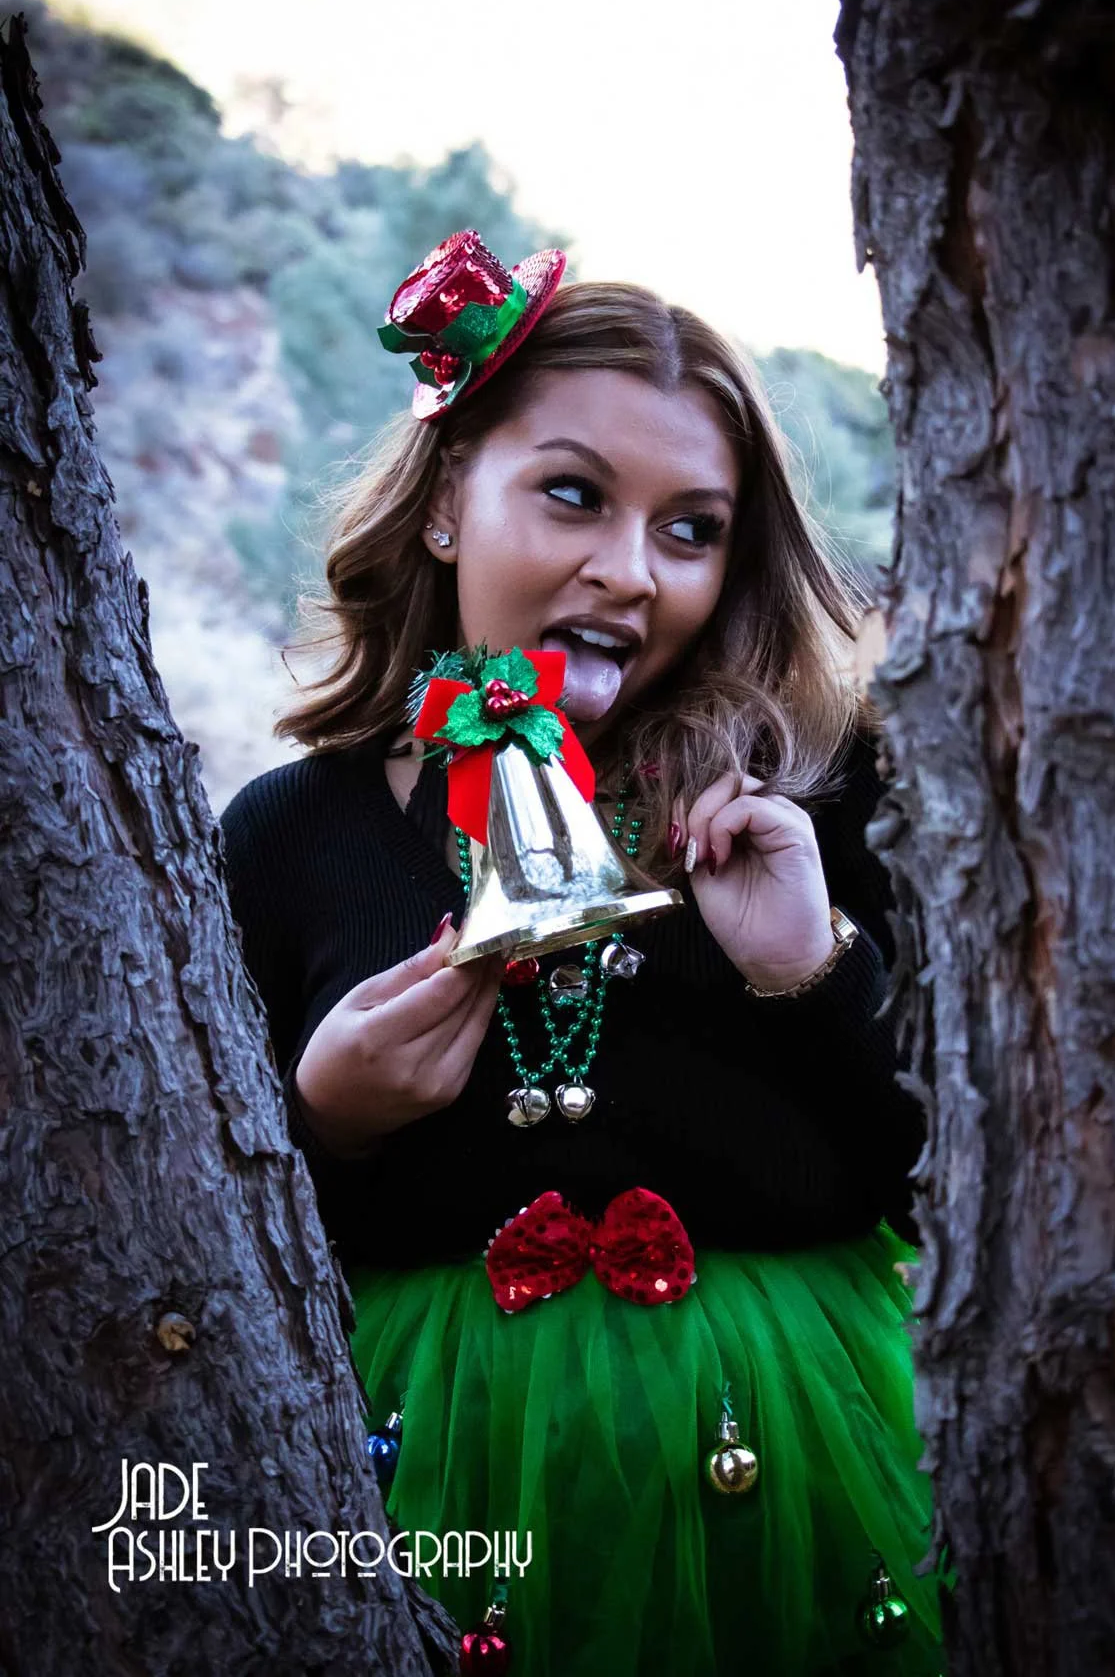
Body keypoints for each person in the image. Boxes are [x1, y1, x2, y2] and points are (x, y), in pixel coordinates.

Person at [219, 230, 950, 1676]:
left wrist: (810, 972)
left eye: (692, 528)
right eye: (571, 496)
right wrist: (325, 1121)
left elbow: (945, 1191)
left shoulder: (815, 794)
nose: (629, 571)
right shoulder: (291, 830)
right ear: (443, 504)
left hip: (792, 1449)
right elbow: (193, 1246)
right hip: (417, 1465)